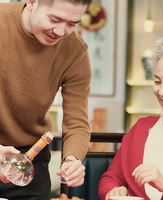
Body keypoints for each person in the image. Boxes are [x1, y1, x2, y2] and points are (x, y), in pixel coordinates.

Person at [0, 0, 92, 199]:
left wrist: (72, 159)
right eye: (54, 19)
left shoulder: (75, 52)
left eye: (72, 24)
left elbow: (76, 122)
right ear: (32, 2)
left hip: (30, 156)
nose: (60, 31)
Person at [98, 34, 163, 200]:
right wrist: (114, 190)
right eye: (157, 82)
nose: (161, 92)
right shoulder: (142, 127)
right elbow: (111, 178)